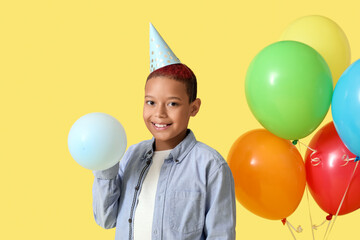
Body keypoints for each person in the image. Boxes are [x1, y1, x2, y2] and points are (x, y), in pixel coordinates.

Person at [92, 23, 236, 240]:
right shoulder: (131, 155)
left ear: (193, 108)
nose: (159, 113)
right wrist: (105, 165)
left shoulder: (210, 166)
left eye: (172, 104)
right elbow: (106, 219)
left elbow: (221, 235)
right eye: (150, 102)